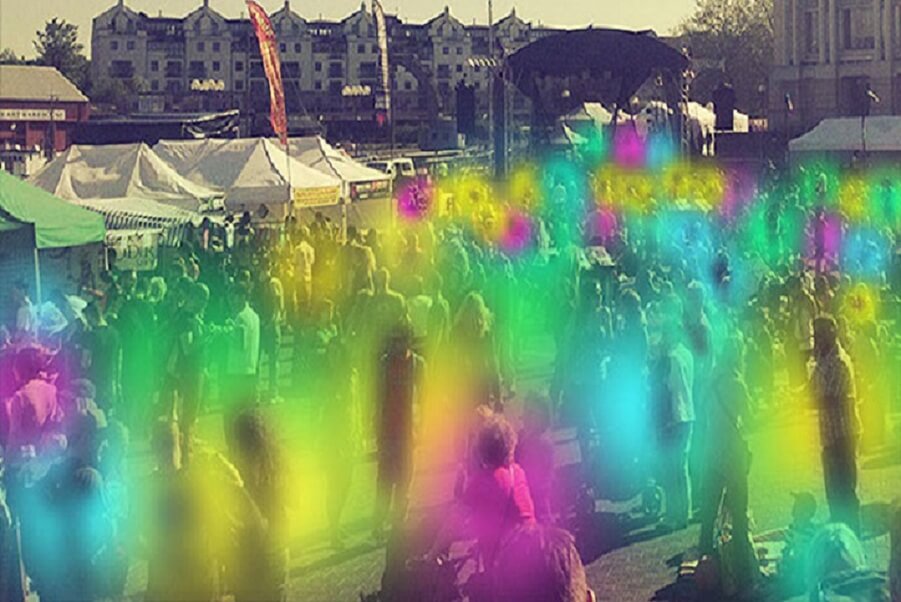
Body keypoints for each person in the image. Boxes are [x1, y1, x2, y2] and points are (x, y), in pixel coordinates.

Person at [427, 415, 536, 568]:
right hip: (533, 546)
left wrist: (433, 552)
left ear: (481, 450)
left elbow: (454, 522)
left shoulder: (480, 482)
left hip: (506, 560)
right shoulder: (518, 473)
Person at [697, 335, 755, 593]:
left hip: (711, 453)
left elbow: (703, 412)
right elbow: (750, 418)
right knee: (739, 514)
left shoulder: (711, 381)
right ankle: (742, 575)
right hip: (732, 455)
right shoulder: (737, 384)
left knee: (708, 515)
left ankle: (706, 567)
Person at [230, 409, 288, 602]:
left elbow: (256, 525)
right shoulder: (274, 464)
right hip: (276, 557)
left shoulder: (241, 475)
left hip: (257, 561)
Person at [810, 316, 861, 535]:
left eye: (820, 333)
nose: (817, 339)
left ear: (832, 333)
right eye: (815, 334)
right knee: (832, 489)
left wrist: (808, 400)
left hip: (844, 434)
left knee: (845, 490)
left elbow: (831, 399)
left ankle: (852, 536)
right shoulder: (822, 359)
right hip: (829, 434)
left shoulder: (840, 361)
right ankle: (839, 535)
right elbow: (812, 387)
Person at [374, 325, 425, 540]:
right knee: (385, 479)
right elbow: (376, 395)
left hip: (408, 431)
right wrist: (373, 424)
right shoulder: (384, 363)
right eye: (395, 341)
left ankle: (398, 523)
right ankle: (378, 523)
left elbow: (424, 397)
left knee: (405, 477)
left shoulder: (418, 365)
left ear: (410, 341)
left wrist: (422, 426)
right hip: (387, 429)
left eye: (402, 340)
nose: (398, 345)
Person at [516, 394, 556, 524]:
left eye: (532, 413)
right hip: (519, 503)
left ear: (543, 417)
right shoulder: (520, 437)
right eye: (526, 411)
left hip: (536, 508)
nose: (527, 416)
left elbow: (541, 484)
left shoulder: (543, 444)